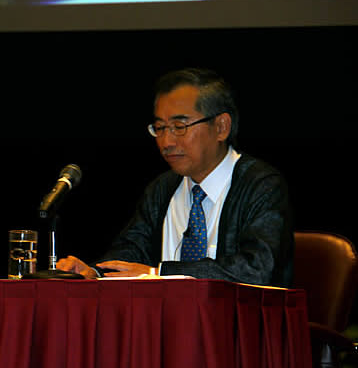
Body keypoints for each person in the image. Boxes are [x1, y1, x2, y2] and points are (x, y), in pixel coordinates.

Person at [57, 68, 294, 287]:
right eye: (160, 128)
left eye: (179, 126)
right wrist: (94, 273)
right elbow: (131, 251)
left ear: (221, 127)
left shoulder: (261, 185)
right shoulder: (163, 188)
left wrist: (159, 273)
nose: (167, 142)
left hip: (236, 327)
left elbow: (257, 269)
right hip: (164, 326)